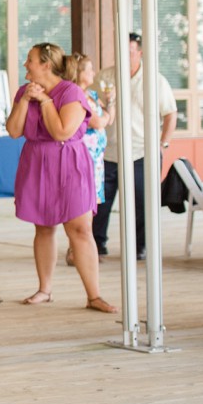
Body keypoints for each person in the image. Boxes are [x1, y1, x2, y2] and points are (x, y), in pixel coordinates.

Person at [8, 43, 116, 312]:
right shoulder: (24, 91)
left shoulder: (72, 92)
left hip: (70, 162)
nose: (25, 65)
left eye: (29, 60)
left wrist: (44, 101)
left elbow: (61, 132)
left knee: (80, 229)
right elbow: (13, 130)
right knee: (43, 227)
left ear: (45, 64)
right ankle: (45, 289)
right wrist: (24, 101)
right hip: (37, 162)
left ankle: (94, 296)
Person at [94, 33, 176, 261]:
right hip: (108, 153)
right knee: (100, 203)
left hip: (142, 153)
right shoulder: (105, 76)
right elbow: (89, 105)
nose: (124, 55)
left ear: (139, 53)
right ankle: (96, 246)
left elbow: (170, 114)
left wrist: (163, 144)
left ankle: (140, 246)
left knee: (142, 203)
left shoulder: (154, 79)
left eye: (129, 51)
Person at [66, 53, 112, 267]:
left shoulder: (93, 94)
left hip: (97, 159)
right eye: (89, 69)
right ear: (79, 73)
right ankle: (76, 248)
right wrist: (107, 114)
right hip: (83, 156)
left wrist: (109, 105)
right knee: (82, 203)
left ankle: (83, 245)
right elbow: (98, 121)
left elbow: (106, 119)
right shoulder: (77, 96)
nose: (93, 73)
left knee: (93, 203)